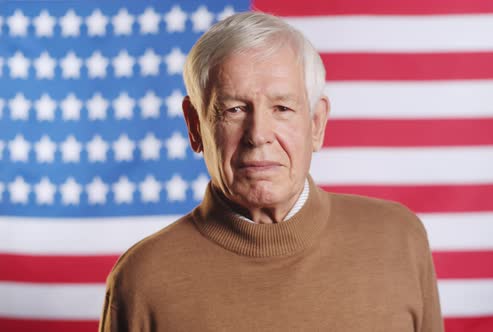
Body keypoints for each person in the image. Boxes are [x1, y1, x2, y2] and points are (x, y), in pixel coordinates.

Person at [99, 12, 444, 332]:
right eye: (233, 109)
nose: (258, 134)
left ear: (316, 123)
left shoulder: (399, 239)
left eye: (282, 108)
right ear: (195, 125)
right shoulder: (143, 280)